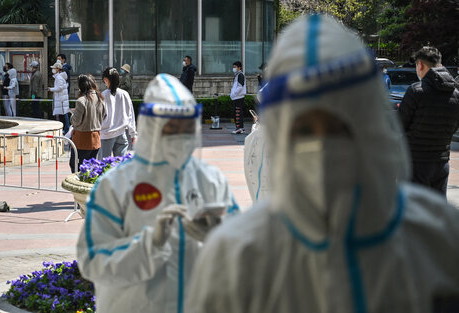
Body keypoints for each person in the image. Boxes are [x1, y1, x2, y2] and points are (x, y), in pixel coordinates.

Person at [185, 14, 459, 313]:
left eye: (340, 126)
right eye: (304, 130)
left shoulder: (435, 236)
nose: (324, 147)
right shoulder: (239, 254)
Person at [77, 73, 240, 313]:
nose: (180, 135)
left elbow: (244, 252)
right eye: (170, 127)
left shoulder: (210, 181)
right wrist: (149, 244)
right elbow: (92, 260)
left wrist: (218, 235)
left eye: (186, 127)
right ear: (153, 127)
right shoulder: (116, 185)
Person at [398, 46, 459, 196]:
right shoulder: (456, 94)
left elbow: (399, 126)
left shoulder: (416, 91)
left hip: (415, 163)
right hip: (442, 162)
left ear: (420, 65)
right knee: (437, 212)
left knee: (414, 212)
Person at [69, 74, 106, 173]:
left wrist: (73, 114)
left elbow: (76, 121)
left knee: (76, 167)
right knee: (91, 169)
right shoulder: (101, 99)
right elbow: (105, 116)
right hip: (96, 139)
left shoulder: (82, 100)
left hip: (82, 139)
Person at [98, 67, 137, 158]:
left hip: (106, 134)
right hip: (121, 133)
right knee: (119, 165)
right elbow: (130, 114)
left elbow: (99, 116)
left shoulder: (103, 95)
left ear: (106, 80)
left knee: (103, 166)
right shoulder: (124, 94)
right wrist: (133, 133)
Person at [49, 61, 70, 134]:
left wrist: (51, 89)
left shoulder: (59, 77)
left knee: (63, 115)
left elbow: (59, 88)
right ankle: (65, 129)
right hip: (62, 99)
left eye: (54, 68)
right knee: (64, 114)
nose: (53, 69)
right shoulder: (61, 76)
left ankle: (65, 129)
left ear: (58, 69)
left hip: (60, 99)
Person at [230, 61, 246, 134]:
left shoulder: (240, 75)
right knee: (238, 113)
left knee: (237, 113)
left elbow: (240, 87)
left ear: (239, 68)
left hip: (238, 97)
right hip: (237, 97)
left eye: (235, 67)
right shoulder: (237, 75)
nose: (234, 68)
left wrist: (234, 94)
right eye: (233, 67)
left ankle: (239, 128)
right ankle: (241, 127)